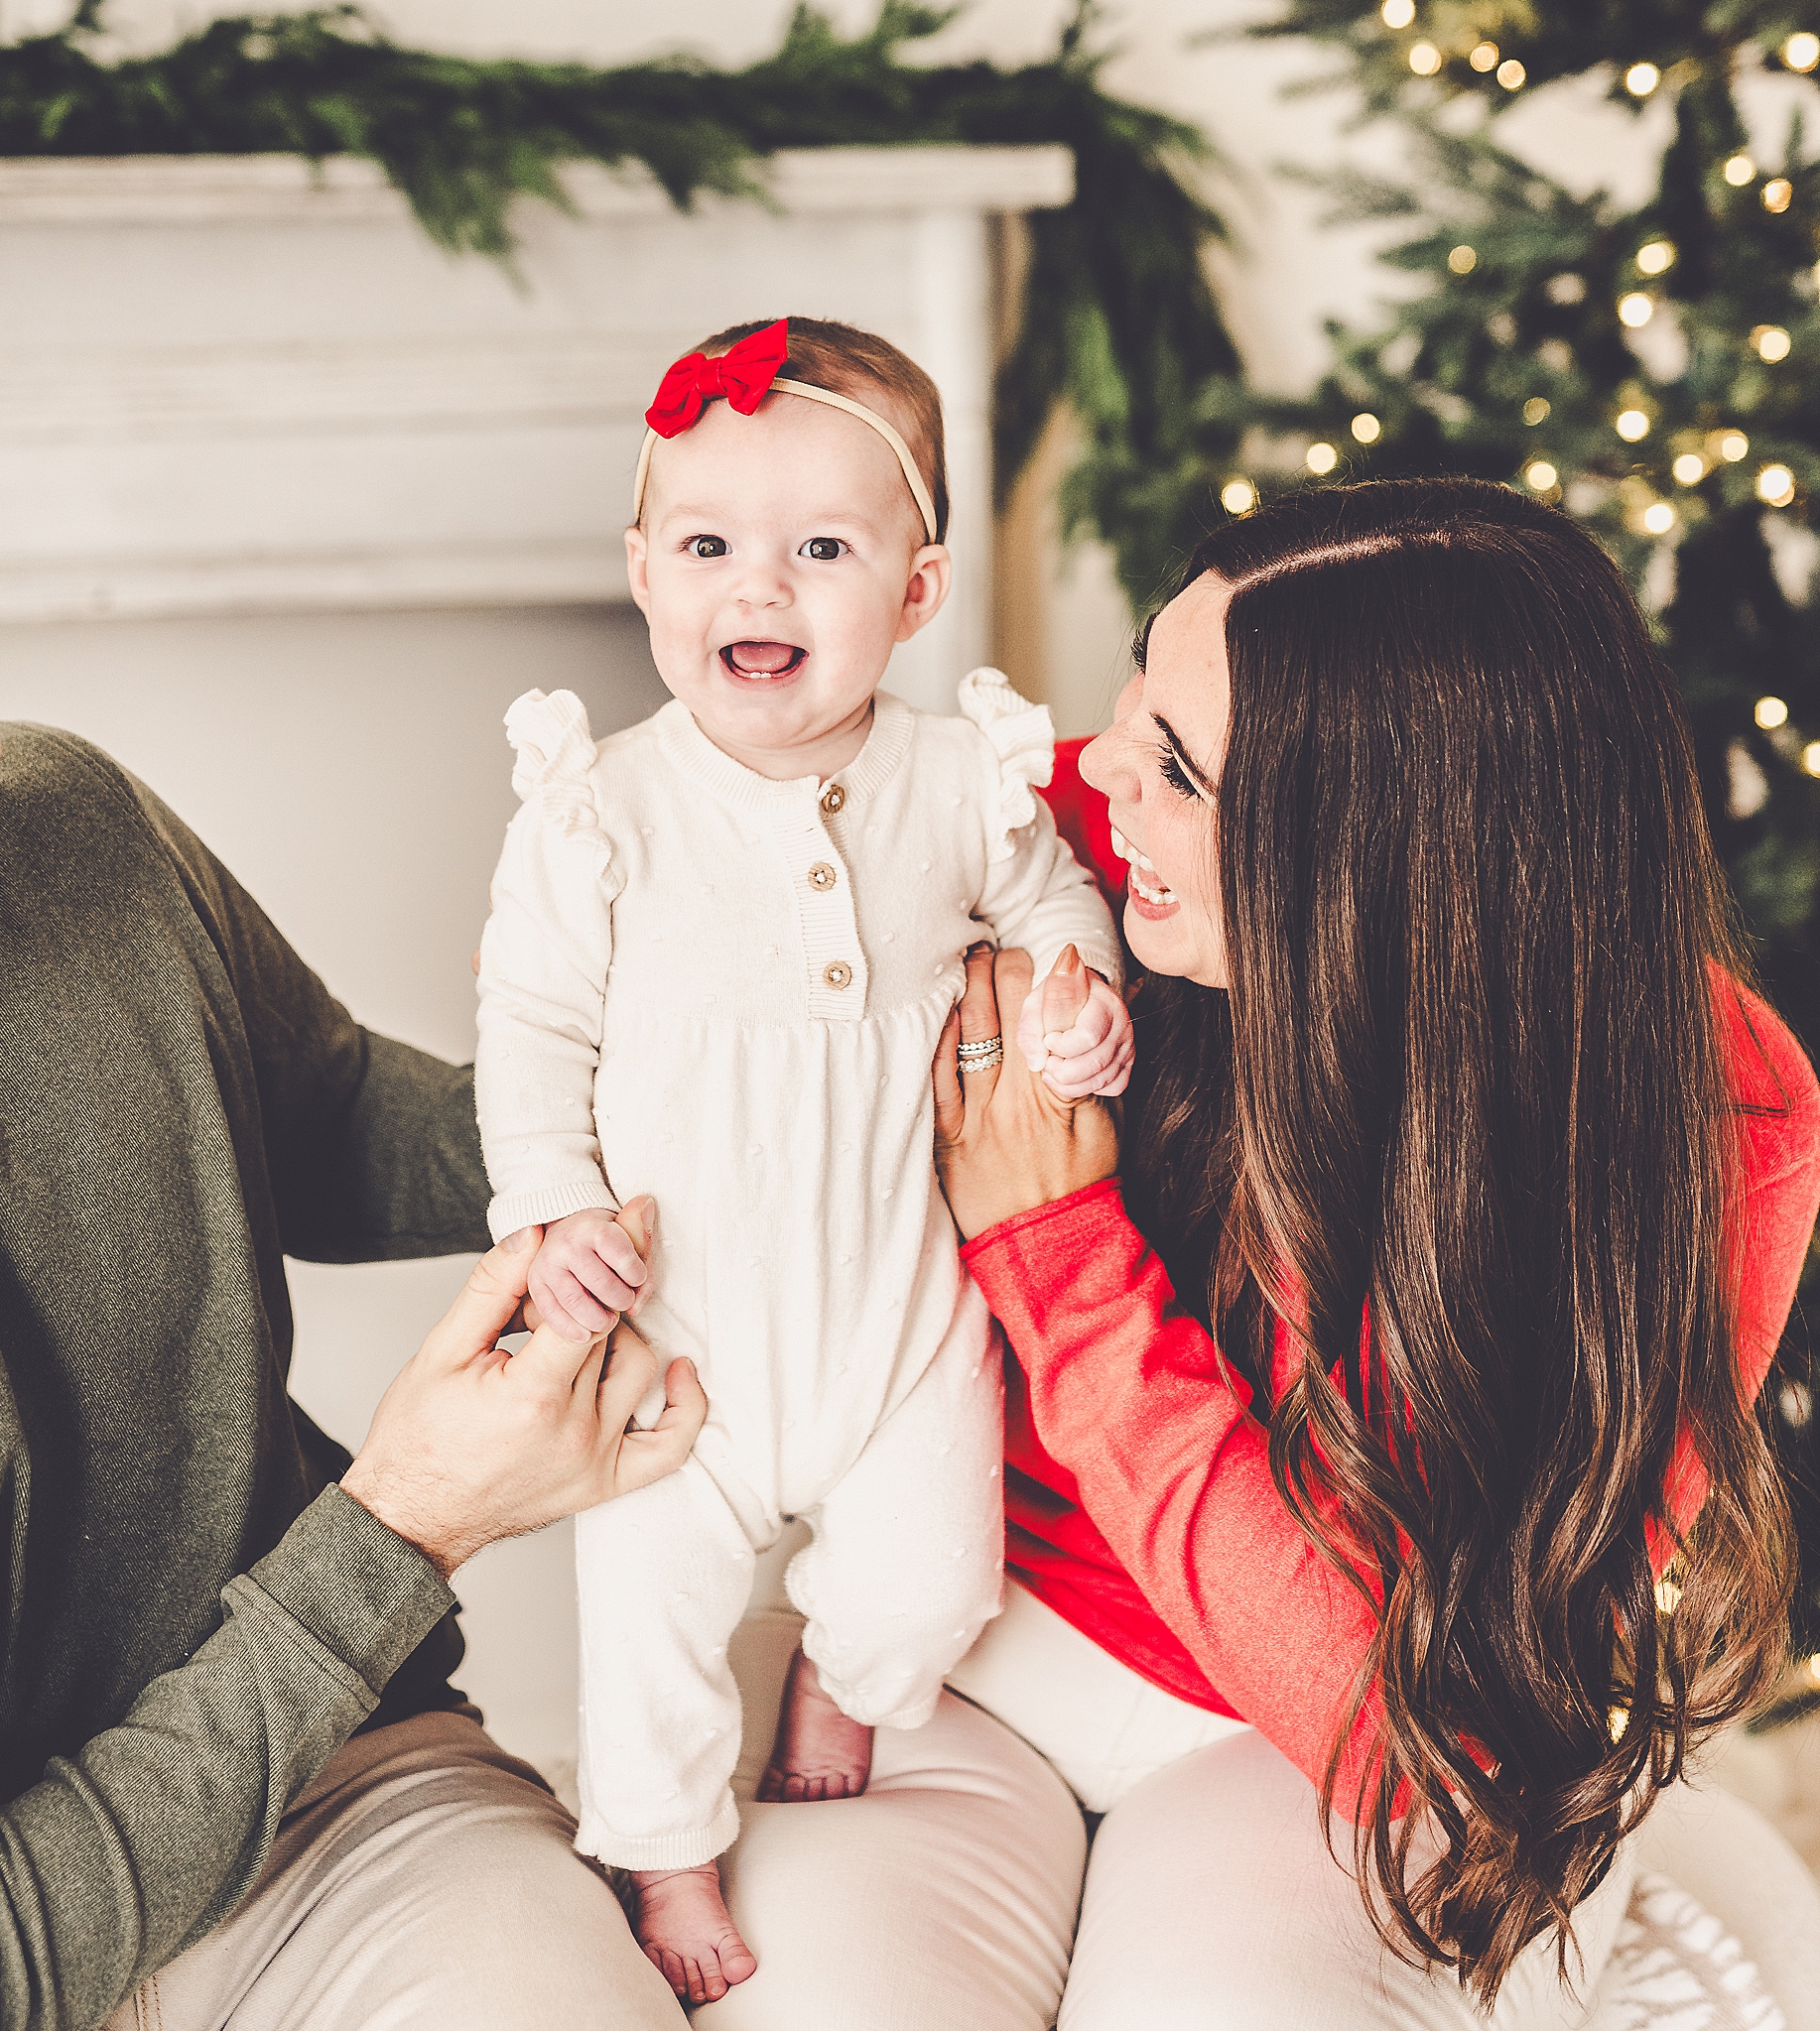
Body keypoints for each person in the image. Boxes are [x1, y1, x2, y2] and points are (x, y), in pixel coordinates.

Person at [691, 475, 1820, 2031]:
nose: (1096, 774)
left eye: (1177, 771)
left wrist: (1058, 1251)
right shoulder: (1057, 875)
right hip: (972, 1650)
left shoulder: (1710, 1114)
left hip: (1341, 1741)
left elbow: (1399, 1728)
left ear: (1385, 857)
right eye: (1136, 692)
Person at [0, 454, 707, 2031]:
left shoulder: (56, 836)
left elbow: (329, 1118)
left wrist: (670, 1069)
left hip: (337, 1791)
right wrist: (404, 1525)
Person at [471, 315, 1130, 2004]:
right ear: (641, 572)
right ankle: (666, 1850)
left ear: (916, 590)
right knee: (647, 1625)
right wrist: (547, 1212)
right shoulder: (601, 814)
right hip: (678, 1326)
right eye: (707, 548)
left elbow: (1053, 903)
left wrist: (1078, 1007)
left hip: (902, 1314)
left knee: (933, 1582)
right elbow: (532, 1022)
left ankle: (845, 1677)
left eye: (822, 550)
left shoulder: (950, 781)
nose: (755, 591)